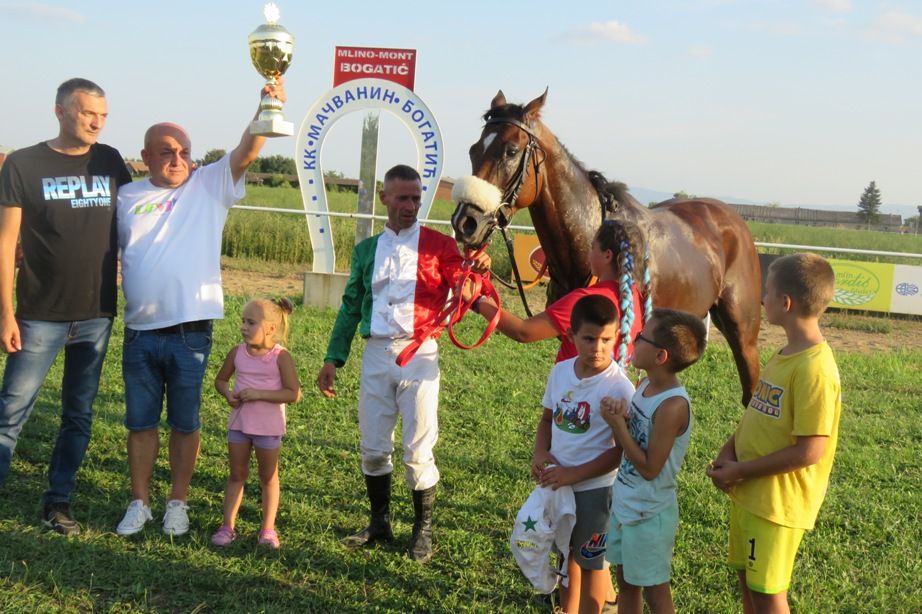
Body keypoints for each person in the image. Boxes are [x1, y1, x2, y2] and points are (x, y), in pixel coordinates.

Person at [114, 79, 284, 537]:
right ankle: (140, 502)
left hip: (192, 332)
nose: (177, 159)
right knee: (140, 423)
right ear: (145, 156)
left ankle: (178, 504)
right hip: (140, 332)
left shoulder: (208, 184)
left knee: (186, 423)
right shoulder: (126, 197)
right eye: (166, 151)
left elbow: (247, 151)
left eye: (184, 150)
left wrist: (266, 105)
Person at [316, 164, 489, 563]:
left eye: (416, 198)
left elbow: (462, 286)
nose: (411, 205)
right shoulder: (365, 250)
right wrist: (333, 357)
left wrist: (474, 277)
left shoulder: (440, 245)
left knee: (418, 449)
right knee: (374, 447)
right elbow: (348, 306)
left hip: (419, 352)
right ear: (385, 198)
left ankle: (422, 531)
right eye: (403, 198)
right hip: (376, 354)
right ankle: (379, 523)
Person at [0, 78, 131, 535]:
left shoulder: (111, 161)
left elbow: (142, 213)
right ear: (60, 111)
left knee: (78, 414)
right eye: (86, 113)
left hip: (96, 314)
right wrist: (5, 312)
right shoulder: (23, 164)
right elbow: (6, 242)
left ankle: (58, 500)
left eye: (103, 115)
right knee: (11, 413)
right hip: (37, 315)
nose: (96, 122)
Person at [707, 253, 841, 614]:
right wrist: (728, 451)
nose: (761, 298)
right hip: (750, 493)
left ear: (785, 303)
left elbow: (810, 450)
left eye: (766, 292)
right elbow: (758, 412)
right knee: (749, 587)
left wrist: (740, 471)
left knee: (768, 594)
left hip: (777, 506)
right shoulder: (785, 352)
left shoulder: (815, 369)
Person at [600, 308, 707, 614]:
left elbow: (650, 468)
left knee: (654, 589)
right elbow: (635, 434)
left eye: (641, 336)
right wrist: (621, 414)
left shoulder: (673, 405)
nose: (633, 338)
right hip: (626, 503)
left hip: (649, 514)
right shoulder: (645, 385)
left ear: (661, 356)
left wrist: (618, 426)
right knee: (626, 581)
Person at [533, 294, 634, 614]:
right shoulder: (561, 372)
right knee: (566, 559)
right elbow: (547, 420)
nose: (598, 348)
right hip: (559, 485)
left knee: (591, 563)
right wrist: (540, 453)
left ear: (616, 336)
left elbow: (620, 453)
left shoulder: (620, 388)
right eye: (589, 339)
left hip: (595, 490)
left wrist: (573, 475)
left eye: (607, 339)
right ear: (571, 336)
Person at [466, 218, 649, 366]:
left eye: (593, 247)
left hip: (573, 402)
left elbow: (524, 332)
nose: (589, 253)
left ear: (607, 255)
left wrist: (478, 301)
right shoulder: (636, 298)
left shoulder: (588, 301)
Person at [211, 297, 300, 549]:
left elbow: (293, 393)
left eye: (250, 322)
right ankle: (227, 526)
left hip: (268, 429)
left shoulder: (280, 357)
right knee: (236, 474)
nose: (243, 327)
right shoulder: (237, 353)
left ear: (270, 328)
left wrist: (259, 394)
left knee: (268, 477)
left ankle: (268, 529)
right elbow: (221, 380)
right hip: (239, 425)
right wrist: (228, 395)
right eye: (242, 321)